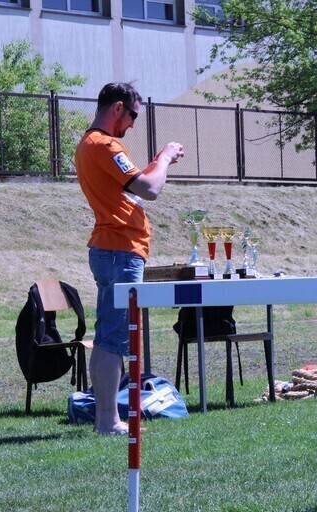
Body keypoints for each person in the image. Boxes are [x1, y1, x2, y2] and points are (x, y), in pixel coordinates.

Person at [75, 82, 184, 434]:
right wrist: (165, 158)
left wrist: (156, 162)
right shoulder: (105, 145)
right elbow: (150, 189)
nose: (134, 124)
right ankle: (109, 421)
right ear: (118, 108)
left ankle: (106, 419)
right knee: (114, 340)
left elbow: (132, 190)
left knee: (107, 337)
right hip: (120, 250)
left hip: (110, 250)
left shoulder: (89, 145)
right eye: (133, 115)